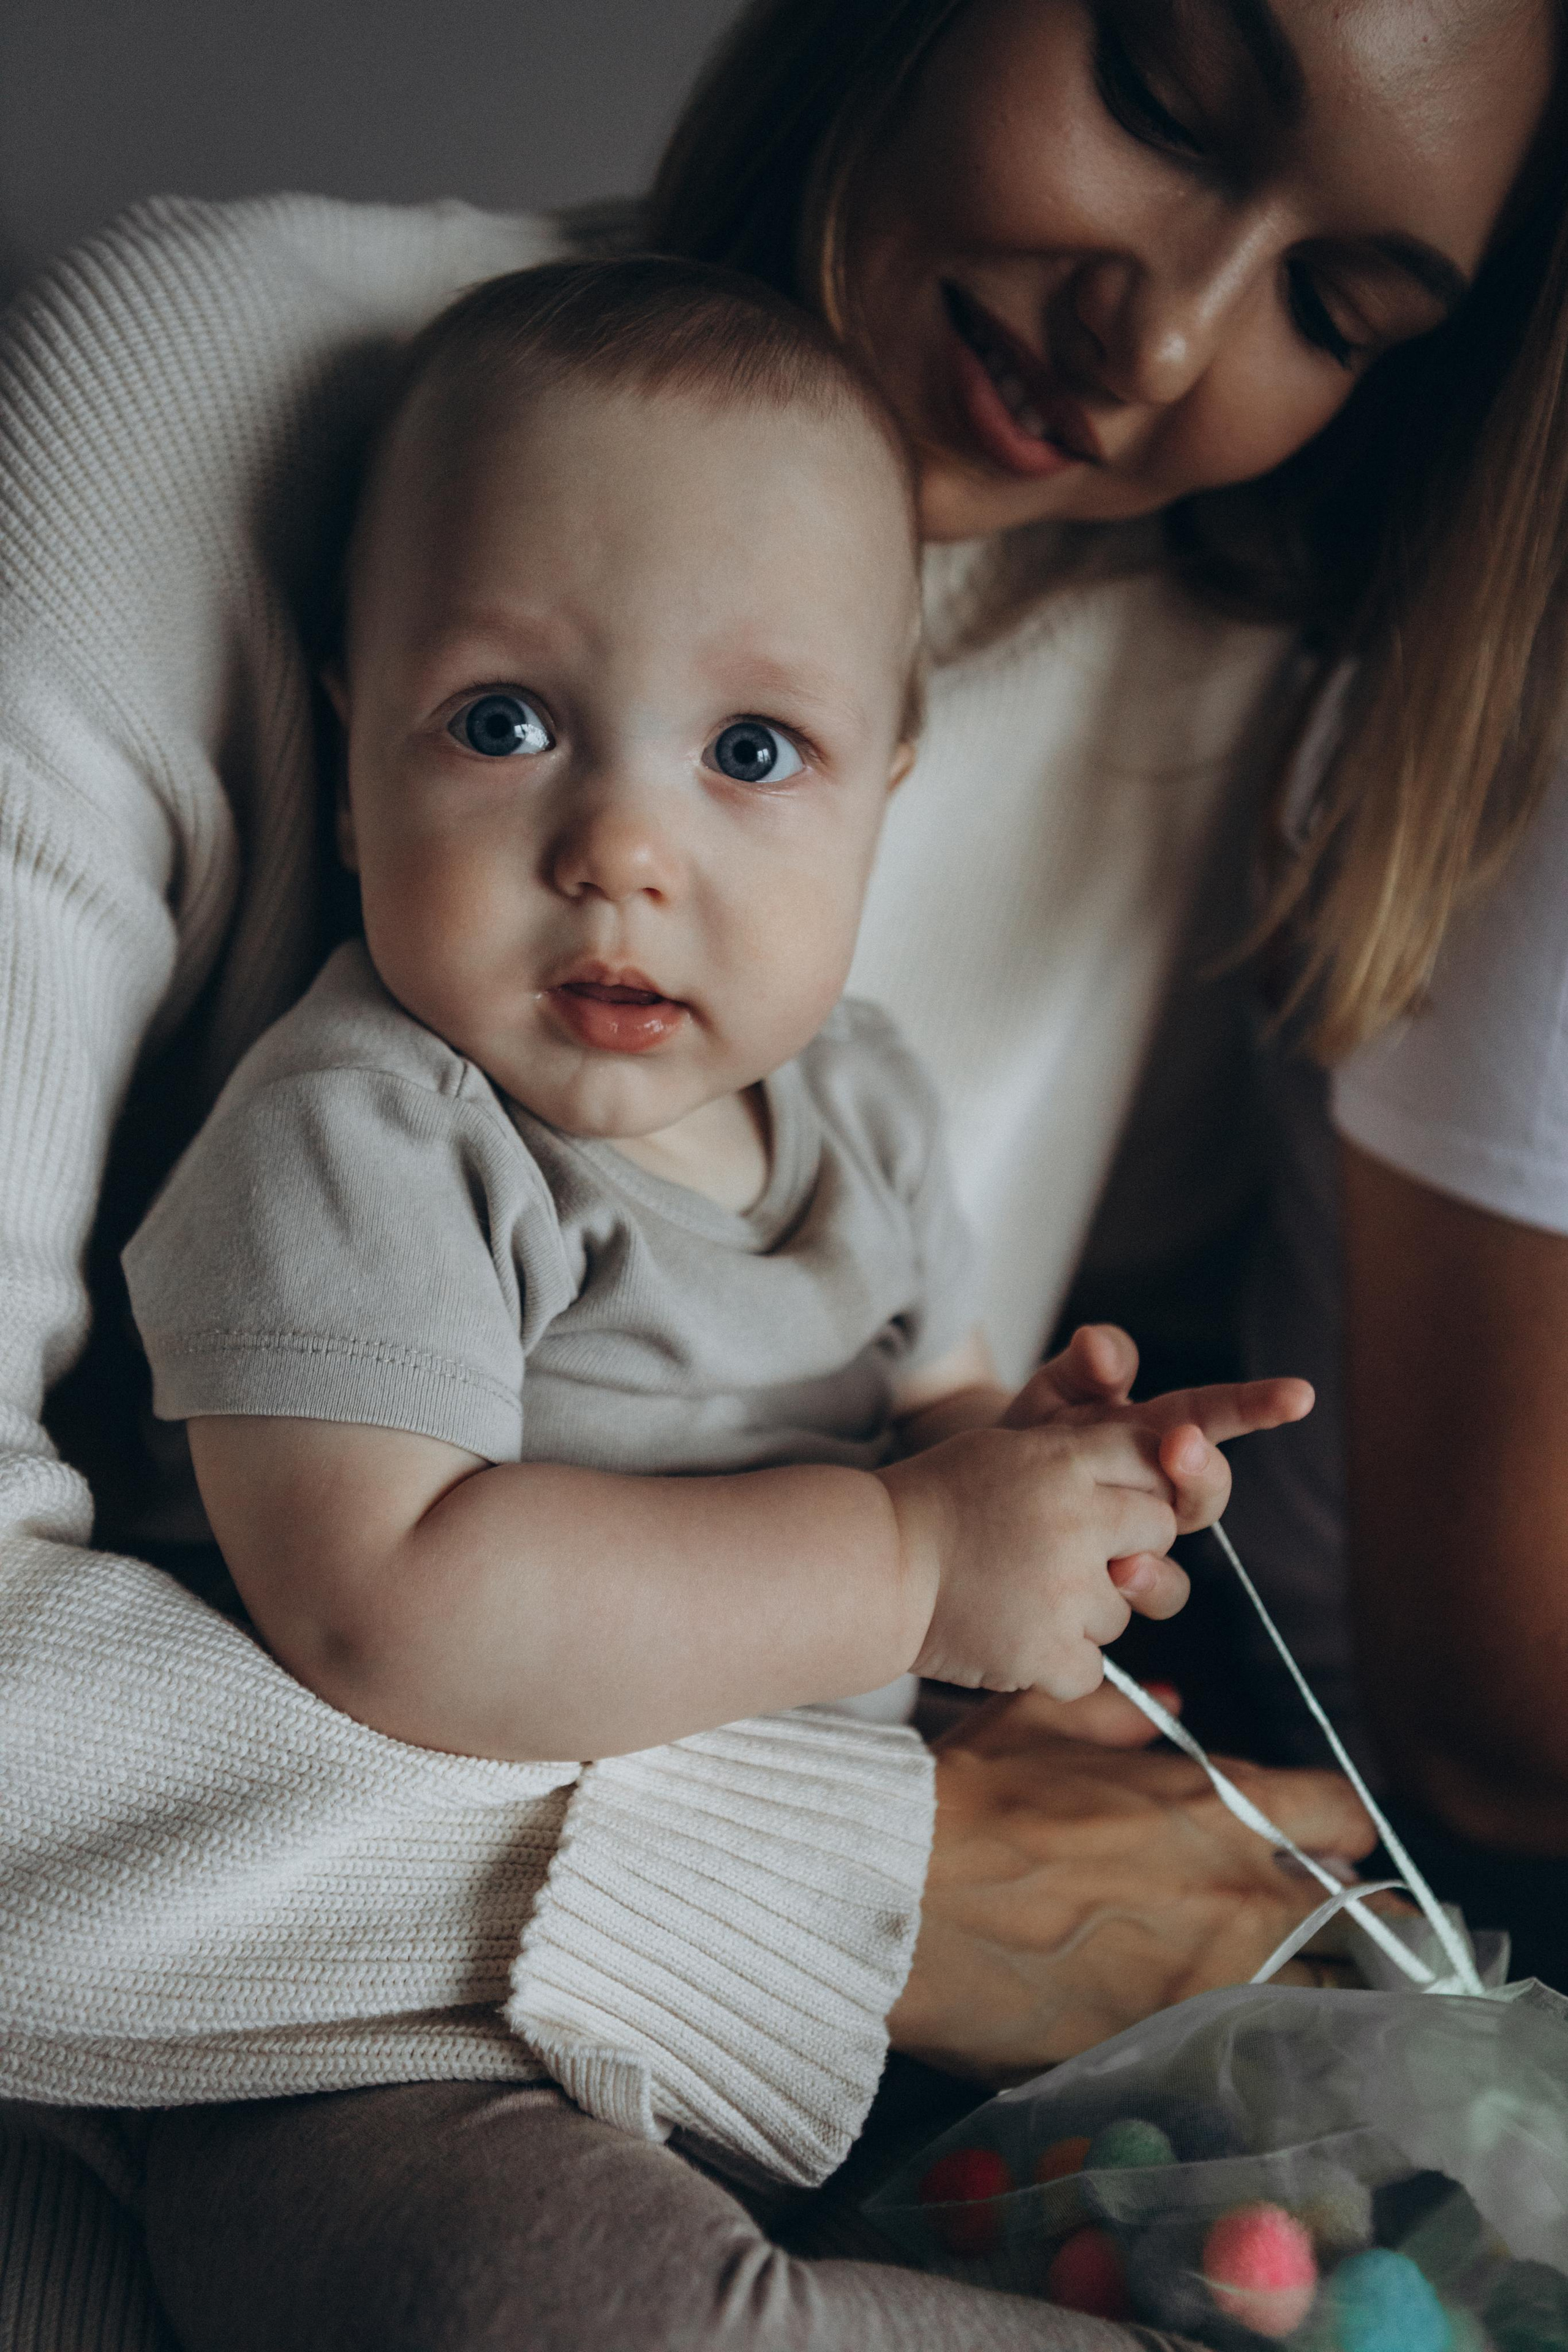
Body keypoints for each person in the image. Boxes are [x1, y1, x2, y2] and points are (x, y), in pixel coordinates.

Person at [1, 0, 1563, 2343]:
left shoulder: (1201, 722)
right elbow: (410, 1595)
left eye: (1337, 309)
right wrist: (882, 1856)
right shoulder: (252, 431)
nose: (1158, 338)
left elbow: (933, 1424)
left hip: (786, 2076)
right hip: (262, 2105)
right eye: (1159, 94)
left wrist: (1061, 1504)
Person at [124, 252, 1310, 1774]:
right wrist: (908, 1564)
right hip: (397, 1928)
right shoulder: (369, 1137)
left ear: (879, 797)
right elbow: (383, 1612)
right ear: (357, 775)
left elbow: (926, 1411)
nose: (619, 851)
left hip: (794, 1901)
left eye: (749, 752)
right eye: (504, 724)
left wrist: (1033, 1493)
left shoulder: (862, 1107)